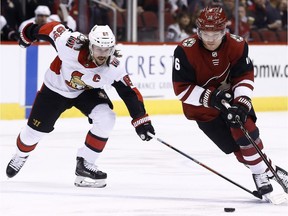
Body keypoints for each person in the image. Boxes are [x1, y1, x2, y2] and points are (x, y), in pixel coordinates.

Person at [6, 21, 155, 188]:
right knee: (32, 134)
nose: (102, 54)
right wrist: (28, 32)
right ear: (90, 45)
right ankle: (20, 155)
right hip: (55, 89)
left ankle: (85, 164)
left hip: (86, 91)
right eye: (99, 48)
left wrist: (142, 120)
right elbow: (51, 28)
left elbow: (130, 93)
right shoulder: (70, 44)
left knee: (107, 118)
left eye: (107, 50)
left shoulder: (113, 67)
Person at [171, 6, 288, 202]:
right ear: (198, 31)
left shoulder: (237, 45)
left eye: (215, 33)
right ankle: (269, 170)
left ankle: (260, 175)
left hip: (231, 100)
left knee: (246, 130)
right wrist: (211, 97)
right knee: (236, 149)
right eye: (205, 33)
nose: (209, 39)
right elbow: (181, 89)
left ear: (224, 30)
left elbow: (244, 74)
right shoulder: (185, 50)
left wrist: (242, 100)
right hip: (202, 111)